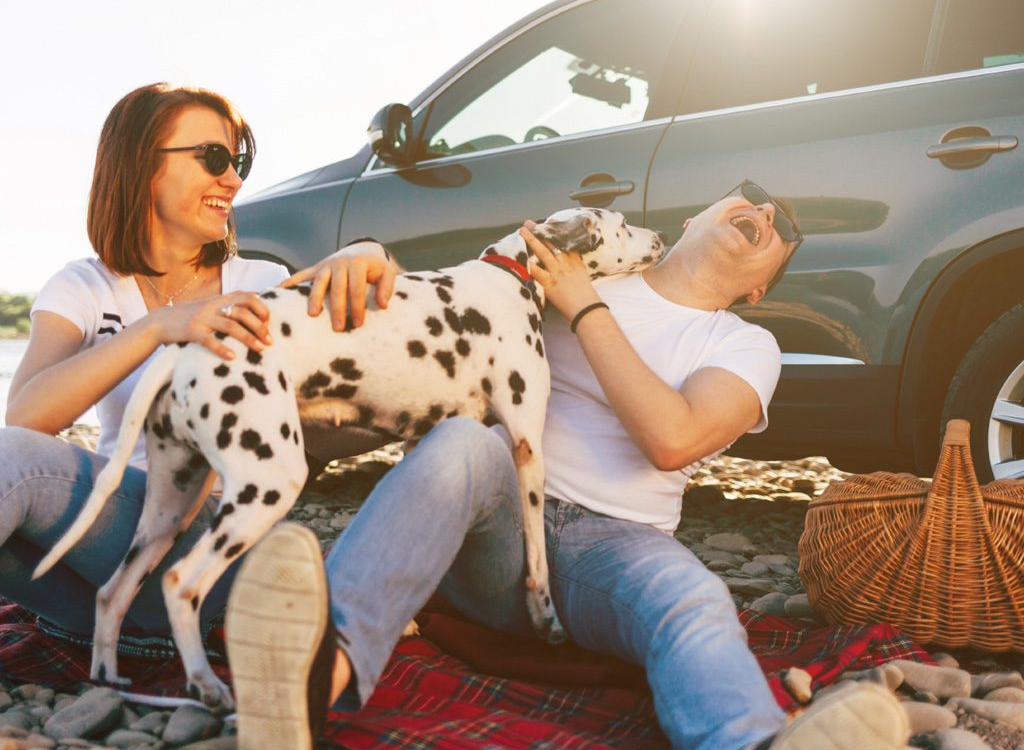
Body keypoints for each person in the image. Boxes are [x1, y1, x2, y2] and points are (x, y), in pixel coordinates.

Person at [223, 187, 912, 750]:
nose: (764, 213)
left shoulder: (741, 341)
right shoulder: (577, 262)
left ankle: (751, 742)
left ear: (760, 289)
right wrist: (370, 251)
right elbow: (440, 316)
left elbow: (675, 438)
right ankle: (306, 686)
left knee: (693, 598)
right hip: (489, 524)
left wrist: (582, 304)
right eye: (753, 198)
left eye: (780, 225)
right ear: (692, 215)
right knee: (465, 442)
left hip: (612, 548)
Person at [0, 82, 377, 647]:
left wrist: (369, 253)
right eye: (214, 158)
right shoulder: (84, 286)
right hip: (92, 579)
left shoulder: (261, 286)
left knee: (13, 465)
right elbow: (27, 412)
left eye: (238, 160)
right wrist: (155, 329)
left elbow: (356, 407)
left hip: (213, 549)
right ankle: (127, 635)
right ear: (141, 167)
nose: (234, 179)